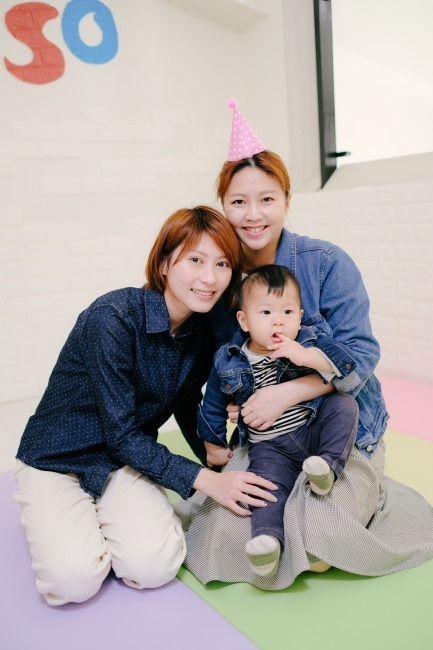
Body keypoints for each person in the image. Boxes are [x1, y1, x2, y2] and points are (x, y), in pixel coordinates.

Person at [177, 101, 433, 588]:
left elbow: (361, 355)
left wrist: (288, 392)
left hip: (339, 430)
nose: (253, 215)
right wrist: (234, 407)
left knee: (321, 542)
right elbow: (219, 367)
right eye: (239, 202)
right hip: (269, 439)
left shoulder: (326, 262)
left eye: (267, 199)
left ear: (287, 200)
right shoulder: (221, 280)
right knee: (224, 533)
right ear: (223, 205)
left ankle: (371, 492)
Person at [13, 205, 279, 606]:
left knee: (155, 567)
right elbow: (121, 433)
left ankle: (103, 517)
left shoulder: (201, 330)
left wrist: (214, 460)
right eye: (195, 260)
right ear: (164, 264)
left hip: (125, 461)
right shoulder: (113, 317)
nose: (210, 278)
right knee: (74, 582)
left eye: (222, 264)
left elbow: (187, 404)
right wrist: (206, 481)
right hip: (57, 458)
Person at [198, 264, 358, 577]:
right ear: (244, 321)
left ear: (300, 316)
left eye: (287, 312)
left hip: (310, 429)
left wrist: (305, 356)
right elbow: (212, 404)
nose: (278, 320)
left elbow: (343, 364)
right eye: (266, 312)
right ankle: (266, 541)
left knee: (344, 405)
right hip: (269, 446)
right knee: (265, 488)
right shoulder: (229, 359)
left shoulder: (306, 343)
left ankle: (327, 467)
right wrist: (213, 445)